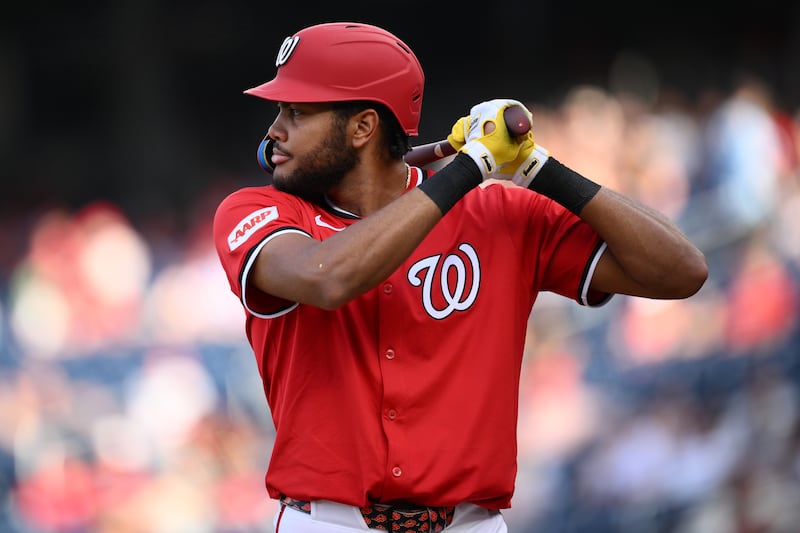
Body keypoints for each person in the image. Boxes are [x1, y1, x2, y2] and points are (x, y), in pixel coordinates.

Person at [212, 21, 708, 533]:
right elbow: (328, 278)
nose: (274, 130)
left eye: (296, 112)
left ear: (362, 128)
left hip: (470, 524)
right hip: (329, 523)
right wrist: (469, 166)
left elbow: (682, 271)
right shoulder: (257, 210)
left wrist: (540, 169)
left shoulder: (499, 213)